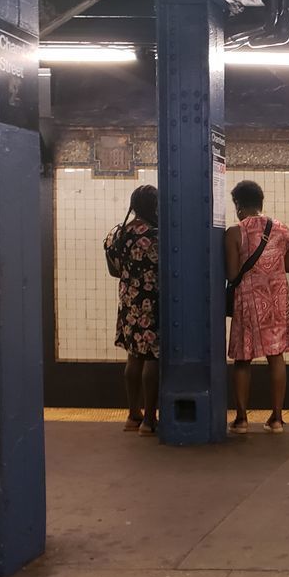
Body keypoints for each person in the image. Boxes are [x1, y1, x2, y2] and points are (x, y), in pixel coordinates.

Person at [225, 179, 289, 434]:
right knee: (276, 357)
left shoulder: (235, 232)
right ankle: (277, 418)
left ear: (238, 205)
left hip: (248, 301)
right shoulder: (283, 230)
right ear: (261, 202)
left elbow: (232, 273)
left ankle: (242, 419)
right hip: (276, 300)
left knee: (243, 360)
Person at [106, 184, 160, 436]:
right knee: (152, 358)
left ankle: (132, 414)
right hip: (153, 301)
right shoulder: (156, 234)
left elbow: (114, 270)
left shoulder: (118, 234)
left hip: (129, 302)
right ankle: (150, 419)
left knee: (133, 356)